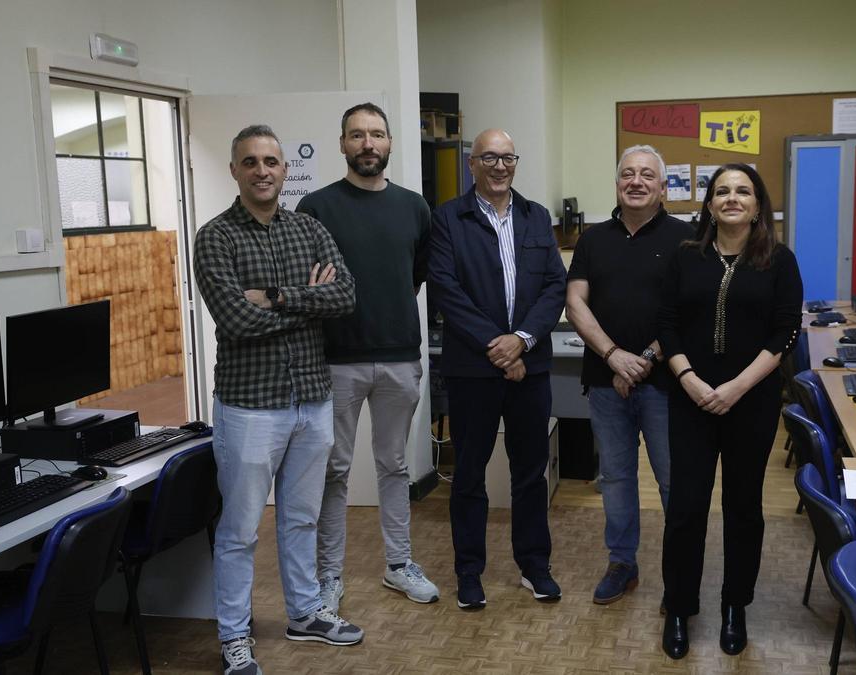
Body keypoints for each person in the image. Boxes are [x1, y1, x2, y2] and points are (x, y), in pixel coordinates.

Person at [194, 124, 363, 675]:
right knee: (240, 530)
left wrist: (277, 297)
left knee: (301, 519)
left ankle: (306, 613)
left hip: (311, 398)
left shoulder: (308, 228)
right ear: (235, 171)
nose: (262, 171)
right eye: (250, 162)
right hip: (249, 406)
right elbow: (235, 320)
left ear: (285, 169)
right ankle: (234, 637)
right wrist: (309, 302)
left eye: (271, 161)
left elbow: (345, 295)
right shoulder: (215, 237)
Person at [656, 164, 803, 659]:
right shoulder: (686, 257)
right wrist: (690, 380)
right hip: (690, 400)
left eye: (743, 191)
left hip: (751, 402)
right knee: (685, 509)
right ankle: (679, 608)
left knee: (743, 509)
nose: (732, 198)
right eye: (722, 191)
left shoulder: (779, 261)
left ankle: (735, 606)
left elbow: (785, 332)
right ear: (709, 204)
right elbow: (667, 323)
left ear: (758, 205)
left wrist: (736, 388)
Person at [296, 102, 438, 609]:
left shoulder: (415, 207)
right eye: (356, 135)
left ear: (390, 142)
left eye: (376, 134)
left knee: (394, 465)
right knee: (333, 470)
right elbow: (307, 285)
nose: (367, 143)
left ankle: (399, 565)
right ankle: (328, 576)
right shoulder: (316, 207)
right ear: (342, 144)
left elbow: (414, 276)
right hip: (336, 360)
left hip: (400, 356)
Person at [428, 128, 567, 610]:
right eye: (489, 157)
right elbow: (445, 289)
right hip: (473, 370)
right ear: (472, 164)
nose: (500, 166)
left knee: (530, 473)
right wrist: (499, 346)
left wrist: (522, 340)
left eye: (507, 157)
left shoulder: (536, 217)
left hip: (530, 367)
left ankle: (534, 566)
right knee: (469, 474)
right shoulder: (449, 218)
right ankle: (469, 572)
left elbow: (555, 286)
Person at [566, 145, 691, 604]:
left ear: (663, 187)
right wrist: (614, 356)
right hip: (605, 382)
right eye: (627, 174)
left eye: (647, 175)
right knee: (616, 478)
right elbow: (575, 302)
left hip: (666, 384)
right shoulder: (593, 239)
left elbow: (691, 310)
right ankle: (622, 563)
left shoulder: (688, 239)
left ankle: (680, 573)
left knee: (673, 480)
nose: (636, 182)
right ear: (617, 183)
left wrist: (645, 360)